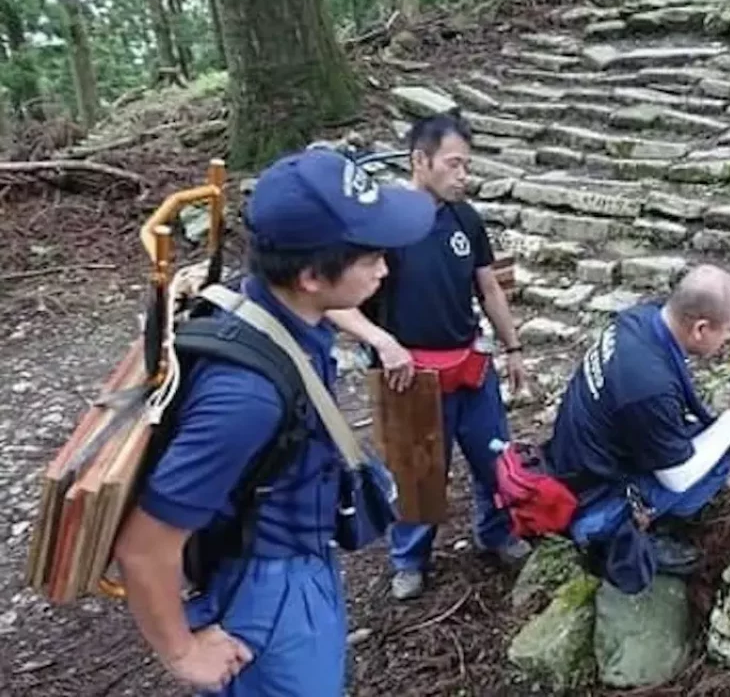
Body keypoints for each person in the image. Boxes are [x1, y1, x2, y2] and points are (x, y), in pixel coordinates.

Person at [112, 148, 436, 694]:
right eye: (371, 256)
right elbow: (144, 547)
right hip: (269, 590)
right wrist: (182, 651)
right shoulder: (246, 397)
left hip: (299, 557)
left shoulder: (269, 305)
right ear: (311, 275)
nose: (385, 266)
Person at [327, 111, 531, 601]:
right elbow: (336, 302)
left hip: (469, 362)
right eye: (454, 164)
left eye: (467, 165)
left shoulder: (465, 217)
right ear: (420, 160)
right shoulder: (381, 224)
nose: (464, 175)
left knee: (494, 456)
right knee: (417, 471)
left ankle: (497, 533)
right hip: (408, 373)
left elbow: (488, 287)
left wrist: (514, 346)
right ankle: (410, 559)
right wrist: (383, 342)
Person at [544, 264, 730, 595]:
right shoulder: (648, 386)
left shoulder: (647, 317)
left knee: (706, 430)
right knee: (725, 449)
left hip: (578, 459)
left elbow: (721, 313)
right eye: (726, 334)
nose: (729, 338)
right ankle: (627, 531)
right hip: (595, 493)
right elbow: (678, 476)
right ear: (700, 330)